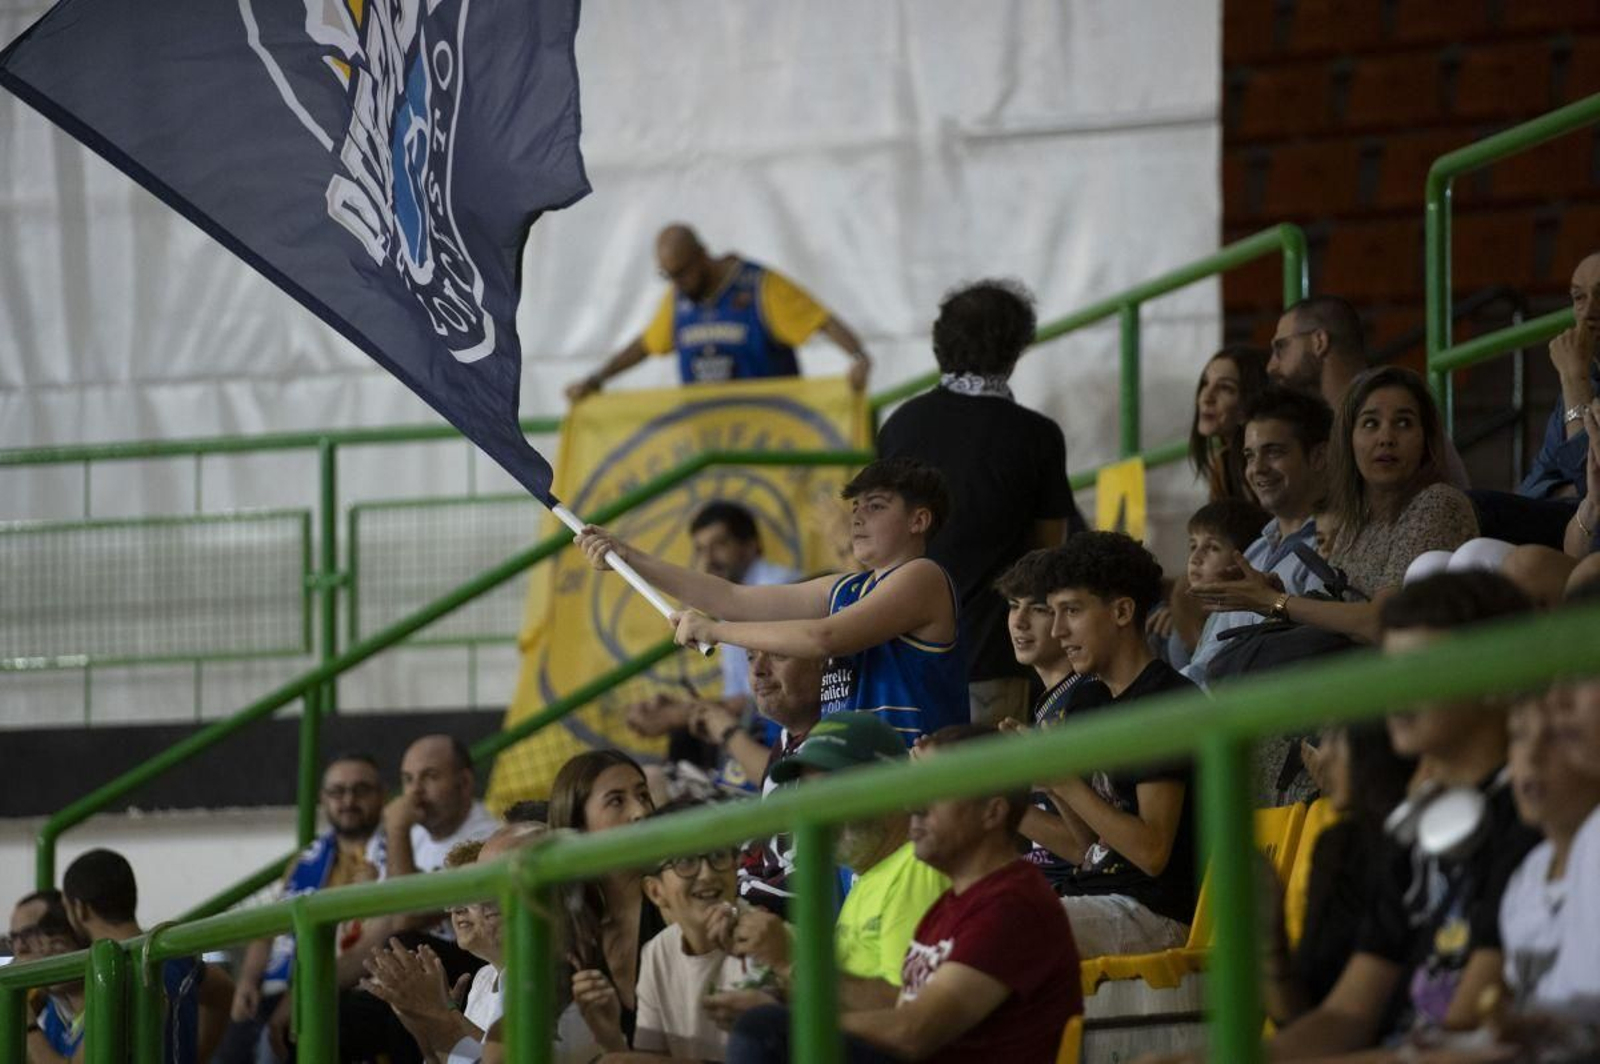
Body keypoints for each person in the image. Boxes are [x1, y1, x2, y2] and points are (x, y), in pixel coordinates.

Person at [1265, 572, 1539, 1058]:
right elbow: (1346, 1015)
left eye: (1421, 669)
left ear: (1498, 682)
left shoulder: (1529, 820)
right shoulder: (1413, 827)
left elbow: (1461, 1035)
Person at [727, 724, 1082, 1064]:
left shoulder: (1012, 905)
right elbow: (899, 1011)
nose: (914, 805)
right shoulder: (952, 903)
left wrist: (791, 1011)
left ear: (992, 811)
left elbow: (913, 1031)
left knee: (766, 1031)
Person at [577, 457, 967, 741]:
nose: (858, 518)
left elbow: (824, 638)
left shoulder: (923, 576)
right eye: (855, 507)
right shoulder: (845, 587)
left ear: (919, 520)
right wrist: (630, 557)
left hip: (916, 781)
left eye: (876, 506)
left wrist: (717, 630)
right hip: (861, 780)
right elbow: (732, 598)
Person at [876, 279, 1086, 724]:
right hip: (993, 654)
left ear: (940, 344)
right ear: (1016, 349)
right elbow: (1047, 558)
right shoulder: (1036, 436)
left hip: (902, 655)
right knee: (987, 790)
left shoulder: (899, 425)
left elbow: (876, 547)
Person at [703, 711, 951, 1032]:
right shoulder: (867, 874)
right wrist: (758, 936)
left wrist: (788, 962)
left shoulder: (917, 871)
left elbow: (907, 1013)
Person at [1193, 366, 1478, 646]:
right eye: (1370, 423)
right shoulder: (1357, 523)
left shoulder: (1436, 503)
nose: (1386, 438)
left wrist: (1276, 602)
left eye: (1403, 423)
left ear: (1425, 438)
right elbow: (1343, 619)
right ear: (1349, 439)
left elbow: (1382, 622)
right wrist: (1281, 598)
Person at [1039, 532, 1199, 957]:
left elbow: (1152, 853)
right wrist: (1052, 783)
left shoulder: (1166, 701)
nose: (1058, 631)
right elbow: (1086, 845)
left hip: (1157, 912)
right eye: (1053, 613)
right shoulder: (1086, 700)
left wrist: (1066, 783)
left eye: (1071, 610)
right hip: (1096, 894)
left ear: (1123, 611)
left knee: (1012, 924)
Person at [564, 224, 871, 398]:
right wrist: (597, 379)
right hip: (710, 440)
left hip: (773, 435)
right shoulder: (678, 299)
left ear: (702, 255)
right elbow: (647, 344)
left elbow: (822, 321)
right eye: (668, 276)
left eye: (682, 272)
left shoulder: (759, 288)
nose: (678, 284)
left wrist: (858, 357)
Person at [625, 502, 800, 796]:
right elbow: (742, 696)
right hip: (762, 718)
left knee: (676, 748)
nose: (708, 558)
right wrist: (681, 708)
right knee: (684, 739)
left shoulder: (775, 588)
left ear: (751, 545)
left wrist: (679, 713)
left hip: (785, 722)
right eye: (700, 549)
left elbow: (762, 692)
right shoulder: (726, 602)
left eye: (719, 545)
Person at [221, 753, 386, 1064]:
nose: (348, 800)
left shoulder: (397, 852)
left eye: (360, 790)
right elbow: (269, 926)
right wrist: (248, 979)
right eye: (337, 792)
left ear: (381, 794)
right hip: (280, 983)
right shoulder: (305, 860)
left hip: (342, 985)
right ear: (323, 799)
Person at [1259, 724, 1414, 1026]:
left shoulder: (1409, 850)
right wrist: (1270, 942)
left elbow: (1341, 1024)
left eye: (1338, 737)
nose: (1322, 753)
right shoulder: (1338, 846)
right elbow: (1300, 1017)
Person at [1184, 386, 1334, 687]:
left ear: (1318, 456)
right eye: (1250, 456)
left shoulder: (1334, 543)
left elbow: (1318, 654)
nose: (1257, 469)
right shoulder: (1254, 551)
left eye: (1274, 452)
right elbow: (1204, 664)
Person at [362, 824, 547, 1064]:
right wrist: (421, 1023)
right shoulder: (483, 978)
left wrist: (438, 1012)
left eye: (471, 894)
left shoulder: (539, 976)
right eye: (454, 897)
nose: (456, 909)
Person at [991, 548, 1112, 888]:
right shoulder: (1051, 702)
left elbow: (1085, 848)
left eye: (1038, 609)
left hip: (1079, 892)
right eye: (1013, 606)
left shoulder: (1086, 699)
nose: (1019, 620)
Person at [1268, 295, 1471, 491]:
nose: (1271, 366)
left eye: (1281, 347)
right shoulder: (1339, 415)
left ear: (1319, 341)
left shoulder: (1386, 406)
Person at [1468, 253, 1599, 548]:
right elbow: (1535, 484)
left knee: (1473, 507)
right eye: (1579, 297)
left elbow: (1586, 478)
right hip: (1563, 521)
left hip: (1587, 533)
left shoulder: (1576, 375)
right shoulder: (1587, 377)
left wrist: (1573, 377)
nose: (1589, 310)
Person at [61, 849, 235, 1064]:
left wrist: (29, 1026)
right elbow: (225, 992)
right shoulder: (173, 955)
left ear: (79, 909)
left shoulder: (109, 972)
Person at [554, 751, 663, 1057]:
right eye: (617, 801)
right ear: (578, 825)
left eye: (643, 795)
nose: (640, 811)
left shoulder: (677, 900)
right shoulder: (565, 931)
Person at [8, 889, 86, 1064]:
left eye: (28, 934)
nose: (20, 949)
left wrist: (24, 1021)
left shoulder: (108, 998)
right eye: (14, 938)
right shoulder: (56, 1011)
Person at [1188, 346, 1271, 504]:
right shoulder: (1223, 463)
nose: (1207, 397)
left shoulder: (1260, 467)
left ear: (1249, 402)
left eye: (1225, 388)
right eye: (1205, 383)